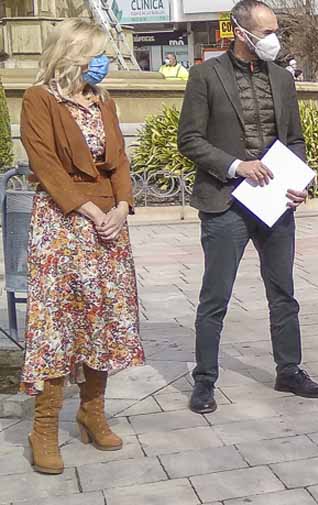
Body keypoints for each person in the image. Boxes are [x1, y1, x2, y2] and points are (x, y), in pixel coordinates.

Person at [178, 0, 318, 414]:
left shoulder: (282, 79)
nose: (273, 39)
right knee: (216, 297)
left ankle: (289, 370)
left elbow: (294, 138)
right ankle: (205, 379)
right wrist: (236, 165)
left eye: (275, 30)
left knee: (283, 293)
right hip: (225, 202)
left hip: (275, 202)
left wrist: (299, 181)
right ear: (239, 33)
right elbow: (189, 139)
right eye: (266, 32)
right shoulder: (205, 76)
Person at [19, 18, 144, 475]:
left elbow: (120, 160)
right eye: (96, 53)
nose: (103, 62)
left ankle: (92, 412)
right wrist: (90, 210)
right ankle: (44, 428)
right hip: (63, 225)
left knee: (104, 319)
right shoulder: (40, 100)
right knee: (56, 325)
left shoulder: (103, 101)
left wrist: (124, 206)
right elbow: (45, 164)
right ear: (73, 54)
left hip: (109, 227)